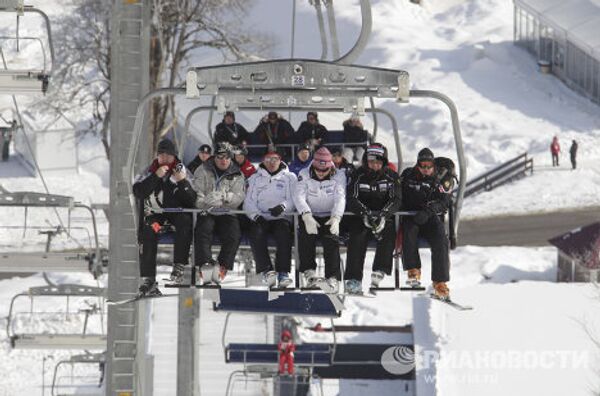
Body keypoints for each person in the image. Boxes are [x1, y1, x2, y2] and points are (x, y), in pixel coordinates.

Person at [133, 139, 197, 296]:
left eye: (168, 155)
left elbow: (193, 199)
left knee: (185, 222)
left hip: (176, 215)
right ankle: (149, 279)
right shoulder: (150, 171)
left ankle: (179, 267)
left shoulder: (182, 171)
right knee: (149, 229)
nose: (165, 159)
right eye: (161, 155)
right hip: (157, 218)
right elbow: (139, 191)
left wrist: (182, 182)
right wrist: (155, 177)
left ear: (174, 156)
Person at [345, 143, 401, 295]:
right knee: (357, 237)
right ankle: (353, 279)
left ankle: (379, 271)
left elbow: (396, 199)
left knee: (389, 233)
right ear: (365, 161)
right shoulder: (358, 175)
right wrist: (364, 213)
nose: (374, 165)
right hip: (362, 216)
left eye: (378, 162)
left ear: (383, 162)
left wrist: (384, 215)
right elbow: (352, 197)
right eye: (371, 162)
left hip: (383, 216)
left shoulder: (391, 177)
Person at [401, 148, 452, 300]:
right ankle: (413, 270)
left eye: (428, 166)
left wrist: (430, 210)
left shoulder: (439, 178)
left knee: (441, 240)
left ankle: (439, 281)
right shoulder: (408, 176)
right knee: (408, 233)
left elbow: (445, 202)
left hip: (429, 216)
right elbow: (399, 194)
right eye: (422, 165)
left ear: (433, 165)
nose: (426, 169)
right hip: (411, 215)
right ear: (417, 164)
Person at [294, 147, 346, 293]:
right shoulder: (304, 174)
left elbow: (340, 197)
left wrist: (336, 217)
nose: (321, 173)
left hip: (329, 215)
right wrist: (306, 215)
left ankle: (333, 277)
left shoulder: (339, 175)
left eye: (324, 171)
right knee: (306, 236)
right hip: (311, 213)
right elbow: (299, 196)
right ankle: (308, 271)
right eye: (318, 170)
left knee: (331, 240)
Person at [192, 143, 245, 284]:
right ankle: (205, 265)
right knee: (203, 231)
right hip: (207, 210)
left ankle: (222, 265)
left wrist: (224, 197)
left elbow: (239, 197)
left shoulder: (237, 174)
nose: (223, 160)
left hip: (227, 211)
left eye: (227, 157)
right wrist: (205, 202)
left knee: (234, 235)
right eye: (220, 157)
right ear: (215, 157)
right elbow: (196, 192)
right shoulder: (202, 170)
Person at [244, 150, 297, 287]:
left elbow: (294, 199)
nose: (272, 163)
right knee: (255, 234)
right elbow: (248, 201)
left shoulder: (290, 177)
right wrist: (256, 215)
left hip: (281, 217)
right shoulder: (255, 178)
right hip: (261, 216)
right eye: (268, 159)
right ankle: (266, 270)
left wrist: (283, 207)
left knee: (284, 235)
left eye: (275, 159)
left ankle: (283, 272)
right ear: (263, 161)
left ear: (280, 160)